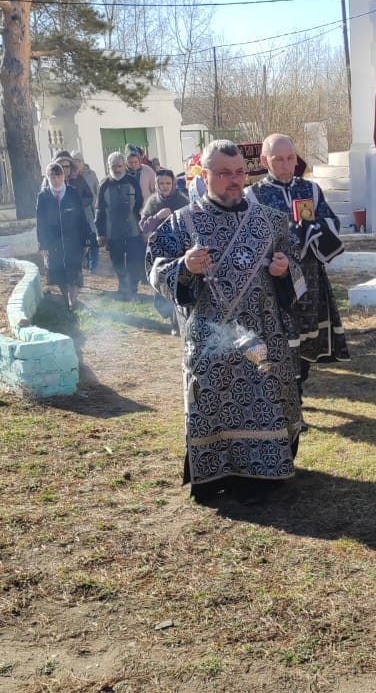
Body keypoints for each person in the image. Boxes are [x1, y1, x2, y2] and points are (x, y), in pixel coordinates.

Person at [146, 140, 305, 504]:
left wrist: (284, 271)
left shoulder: (272, 220)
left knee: (265, 403)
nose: (234, 180)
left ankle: (264, 477)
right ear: (205, 176)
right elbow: (155, 267)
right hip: (209, 342)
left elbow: (296, 269)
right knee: (212, 406)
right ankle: (216, 476)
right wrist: (184, 266)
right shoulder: (181, 222)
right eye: (223, 173)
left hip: (263, 337)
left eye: (239, 173)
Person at [247, 133, 349, 396]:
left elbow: (331, 223)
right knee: (281, 341)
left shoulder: (310, 189)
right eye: (278, 159)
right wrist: (295, 236)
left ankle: (298, 392)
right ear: (264, 161)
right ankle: (287, 399)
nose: (285, 165)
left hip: (310, 279)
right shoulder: (253, 196)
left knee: (306, 343)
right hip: (275, 284)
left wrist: (311, 230)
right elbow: (252, 240)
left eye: (290, 158)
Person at [35, 160, 94, 312]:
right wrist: (42, 245)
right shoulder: (43, 196)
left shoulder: (72, 193)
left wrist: (86, 240)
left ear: (63, 177)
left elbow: (81, 218)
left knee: (74, 272)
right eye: (52, 177)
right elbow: (40, 223)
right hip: (53, 243)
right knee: (58, 273)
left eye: (59, 176)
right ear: (48, 178)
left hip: (73, 240)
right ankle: (67, 297)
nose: (56, 180)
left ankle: (73, 302)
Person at [140, 168, 189, 333]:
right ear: (156, 184)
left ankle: (177, 323)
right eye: (161, 183)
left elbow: (189, 223)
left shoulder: (182, 201)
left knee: (176, 285)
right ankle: (169, 316)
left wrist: (174, 215)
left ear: (173, 183)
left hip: (177, 250)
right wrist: (158, 217)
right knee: (160, 286)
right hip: (158, 252)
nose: (165, 186)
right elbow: (144, 226)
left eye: (168, 183)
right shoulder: (152, 202)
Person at [96, 151, 144, 297]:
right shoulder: (104, 184)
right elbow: (99, 209)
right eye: (114, 166)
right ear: (108, 166)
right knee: (117, 261)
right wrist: (100, 233)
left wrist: (143, 228)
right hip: (113, 231)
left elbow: (140, 205)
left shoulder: (132, 182)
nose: (117, 169)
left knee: (134, 261)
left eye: (120, 166)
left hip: (133, 229)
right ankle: (123, 287)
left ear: (124, 166)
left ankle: (133, 288)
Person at [71, 152, 100, 273]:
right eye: (74, 161)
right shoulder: (71, 176)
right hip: (76, 214)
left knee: (93, 237)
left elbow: (97, 191)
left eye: (79, 161)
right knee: (82, 238)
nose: (77, 163)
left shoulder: (90, 174)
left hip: (91, 211)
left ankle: (94, 266)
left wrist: (97, 206)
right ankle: (87, 263)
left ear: (83, 162)